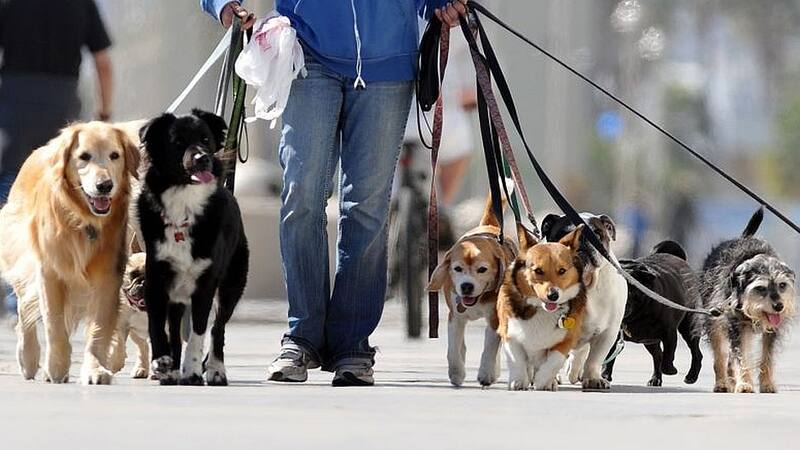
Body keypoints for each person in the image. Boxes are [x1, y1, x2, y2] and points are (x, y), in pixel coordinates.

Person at [202, 0, 467, 386]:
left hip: (388, 64)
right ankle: (302, 337)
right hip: (308, 57)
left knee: (367, 206)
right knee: (302, 195)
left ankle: (352, 344)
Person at [0, 0, 113, 317]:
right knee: (60, 190)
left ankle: (16, 291)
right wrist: (104, 114)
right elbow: (102, 61)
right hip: (62, 103)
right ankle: (63, 283)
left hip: (13, 101)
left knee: (13, 187)